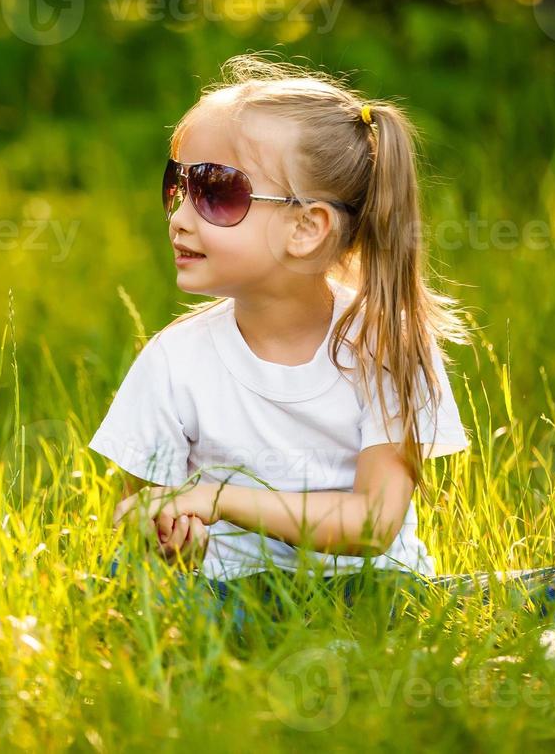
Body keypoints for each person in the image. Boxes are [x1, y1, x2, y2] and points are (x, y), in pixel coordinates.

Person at [94, 55, 470, 588]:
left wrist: (218, 499)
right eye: (177, 186)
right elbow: (141, 521)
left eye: (216, 192)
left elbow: (373, 523)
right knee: (125, 594)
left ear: (306, 228)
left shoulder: (385, 344)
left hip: (380, 596)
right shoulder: (174, 362)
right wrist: (172, 536)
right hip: (230, 596)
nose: (178, 217)